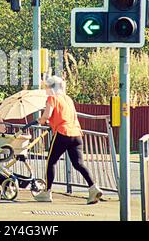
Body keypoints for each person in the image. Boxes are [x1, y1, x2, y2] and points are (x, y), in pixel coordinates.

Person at [34, 75, 103, 204]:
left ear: (51, 87)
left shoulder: (52, 98)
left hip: (62, 133)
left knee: (51, 162)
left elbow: (47, 115)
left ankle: (47, 192)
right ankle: (93, 188)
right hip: (76, 133)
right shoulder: (68, 99)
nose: (46, 90)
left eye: (47, 87)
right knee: (78, 164)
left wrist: (41, 120)